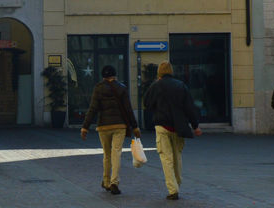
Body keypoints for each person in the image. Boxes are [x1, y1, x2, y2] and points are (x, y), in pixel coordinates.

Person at [142, 61, 201, 200]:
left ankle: (172, 188)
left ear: (159, 73)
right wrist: (195, 126)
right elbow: (189, 108)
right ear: (171, 71)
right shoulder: (180, 85)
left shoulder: (155, 85)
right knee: (177, 157)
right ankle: (177, 184)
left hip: (161, 125)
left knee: (166, 158)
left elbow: (146, 103)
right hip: (178, 126)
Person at [80, 64, 140, 195]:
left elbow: (93, 109)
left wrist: (85, 127)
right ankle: (114, 182)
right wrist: (135, 126)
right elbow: (128, 109)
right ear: (115, 75)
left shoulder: (98, 88)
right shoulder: (122, 88)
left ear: (103, 76)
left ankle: (106, 181)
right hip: (119, 126)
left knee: (106, 154)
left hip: (103, 126)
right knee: (116, 153)